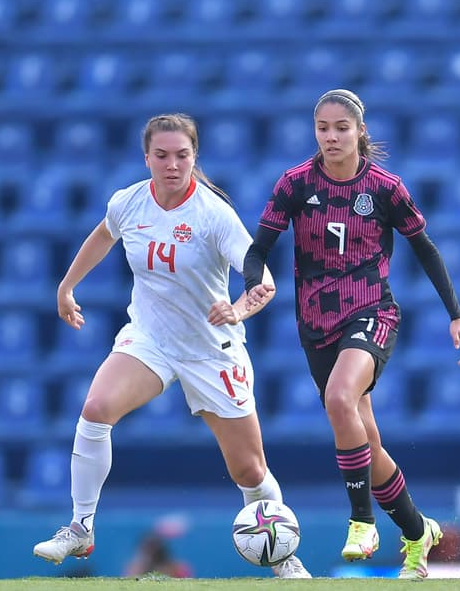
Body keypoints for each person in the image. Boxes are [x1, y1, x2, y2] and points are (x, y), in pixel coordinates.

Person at [32, 113, 312, 579]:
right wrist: (66, 286)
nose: (172, 164)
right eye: (161, 155)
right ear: (147, 158)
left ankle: (283, 556)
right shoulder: (129, 203)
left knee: (249, 470)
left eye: (182, 155)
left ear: (194, 157)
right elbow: (104, 234)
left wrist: (238, 309)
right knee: (97, 408)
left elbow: (262, 279)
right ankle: (80, 527)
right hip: (150, 338)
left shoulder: (212, 214)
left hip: (211, 347)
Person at [242, 89, 460, 581]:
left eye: (341, 128)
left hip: (372, 312)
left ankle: (362, 522)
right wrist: (253, 284)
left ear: (360, 132)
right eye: (323, 128)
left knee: (340, 397)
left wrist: (455, 314)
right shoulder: (294, 184)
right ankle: (418, 533)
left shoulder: (386, 188)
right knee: (363, 438)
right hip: (315, 325)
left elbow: (427, 251)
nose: (331, 136)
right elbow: (257, 248)